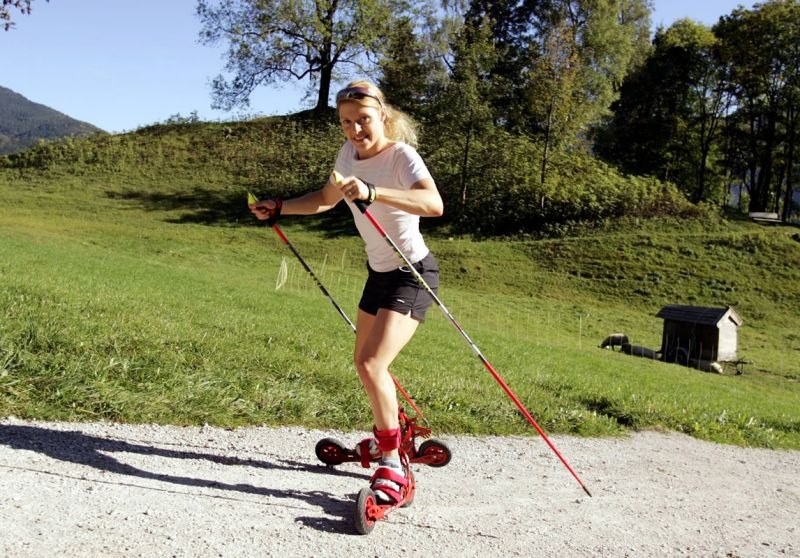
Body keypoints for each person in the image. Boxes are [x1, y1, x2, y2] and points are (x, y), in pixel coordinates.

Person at [249, 80, 443, 503]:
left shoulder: (401, 157)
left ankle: (393, 465)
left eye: (364, 121)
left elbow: (433, 203)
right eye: (346, 122)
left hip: (412, 273)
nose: (355, 130)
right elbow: (324, 198)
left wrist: (374, 192)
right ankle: (391, 431)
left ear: (383, 117)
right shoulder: (347, 156)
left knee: (374, 363)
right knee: (364, 362)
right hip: (379, 275)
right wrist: (279, 206)